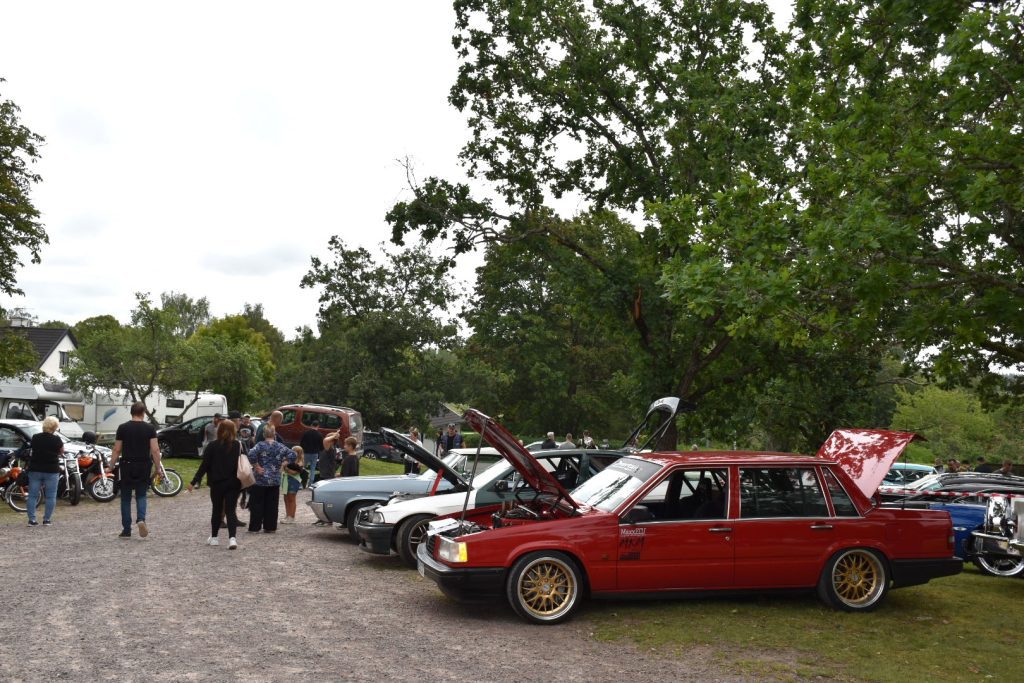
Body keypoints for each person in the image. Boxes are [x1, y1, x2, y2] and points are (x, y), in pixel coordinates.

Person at [187, 419, 243, 549]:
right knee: (231, 511)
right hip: (233, 483)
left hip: (217, 483)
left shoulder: (212, 446)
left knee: (217, 511)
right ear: (234, 430)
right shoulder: (238, 445)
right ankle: (232, 539)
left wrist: (193, 481)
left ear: (219, 430)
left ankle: (214, 537)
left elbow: (204, 466)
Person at [110, 401, 161, 539]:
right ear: (143, 413)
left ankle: (126, 529)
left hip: (127, 465)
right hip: (144, 465)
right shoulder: (150, 428)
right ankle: (141, 519)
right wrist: (158, 467)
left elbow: (117, 449)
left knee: (125, 498)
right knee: (141, 495)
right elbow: (155, 450)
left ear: (131, 412)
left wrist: (110, 465)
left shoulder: (122, 428)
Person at [246, 424, 296, 533]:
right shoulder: (280, 446)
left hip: (260, 479)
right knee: (272, 505)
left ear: (264, 434)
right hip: (274, 479)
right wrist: (283, 464)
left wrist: (256, 466)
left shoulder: (259, 445)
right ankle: (270, 527)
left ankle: (255, 527)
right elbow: (293, 454)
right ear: (274, 434)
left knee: (257, 504)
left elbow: (250, 454)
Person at [26, 416, 64, 526]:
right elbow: (62, 452)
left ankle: (32, 520)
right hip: (51, 470)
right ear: (55, 427)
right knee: (51, 496)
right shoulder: (56, 439)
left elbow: (32, 449)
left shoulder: (35, 437)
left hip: (35, 469)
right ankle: (46, 520)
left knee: (32, 495)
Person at [280, 446, 305, 523]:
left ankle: (291, 517)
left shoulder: (300, 462)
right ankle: (288, 515)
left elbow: (294, 472)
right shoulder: (289, 461)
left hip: (293, 481)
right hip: (286, 479)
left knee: (291, 499)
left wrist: (285, 468)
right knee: (286, 498)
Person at [299, 420, 324, 487]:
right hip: (315, 454)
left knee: (302, 468)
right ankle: (310, 484)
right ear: (318, 426)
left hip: (306, 453)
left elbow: (301, 443)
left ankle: (301, 483)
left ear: (311, 425)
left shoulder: (306, 433)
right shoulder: (319, 435)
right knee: (313, 469)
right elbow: (322, 447)